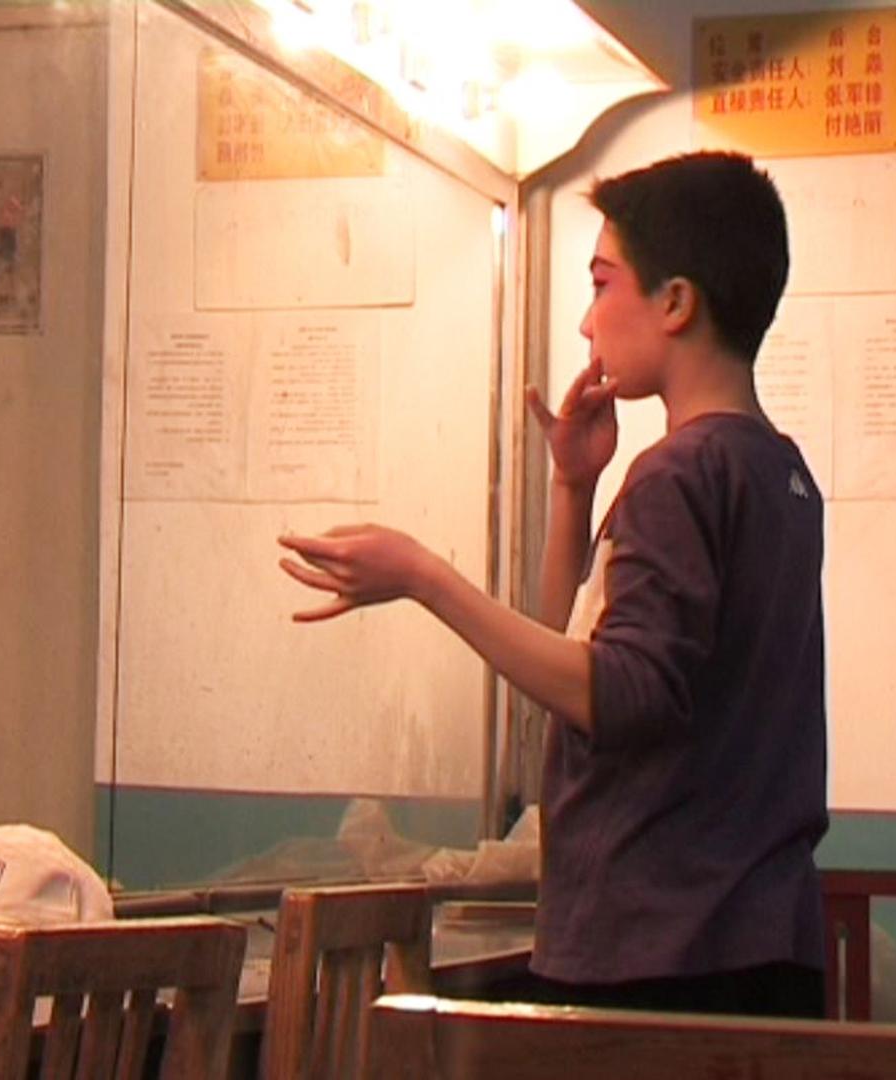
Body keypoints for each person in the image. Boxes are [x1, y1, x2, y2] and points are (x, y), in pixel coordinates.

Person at [278, 151, 826, 1018]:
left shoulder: (680, 473)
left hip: (659, 952)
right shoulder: (777, 470)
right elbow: (574, 660)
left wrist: (422, 575)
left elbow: (621, 694)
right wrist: (573, 488)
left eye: (602, 284)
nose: (584, 321)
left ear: (676, 303)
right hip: (752, 943)